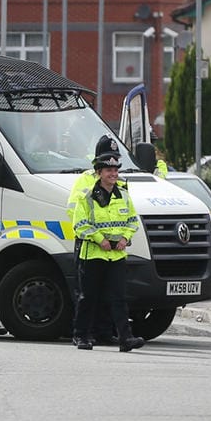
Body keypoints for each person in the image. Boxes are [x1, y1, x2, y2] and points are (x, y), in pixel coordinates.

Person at [69, 142, 145, 352]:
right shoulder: (87, 197)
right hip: (93, 254)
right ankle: (81, 335)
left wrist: (125, 238)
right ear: (99, 173)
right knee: (88, 297)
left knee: (119, 298)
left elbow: (132, 221)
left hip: (117, 256)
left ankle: (125, 338)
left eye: (115, 170)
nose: (113, 174)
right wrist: (99, 238)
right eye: (108, 170)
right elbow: (79, 224)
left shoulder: (124, 195)